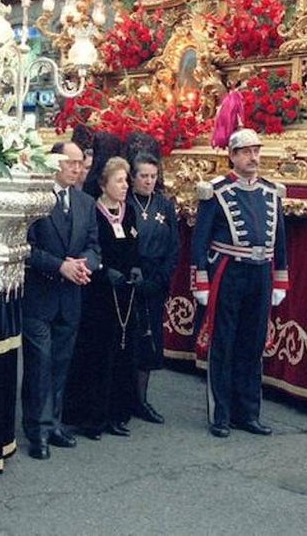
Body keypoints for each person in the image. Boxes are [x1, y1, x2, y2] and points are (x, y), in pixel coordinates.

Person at [192, 128, 289, 438]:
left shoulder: (272, 192)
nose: (253, 157)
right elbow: (199, 240)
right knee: (224, 344)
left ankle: (248, 413)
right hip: (228, 271)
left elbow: (281, 242)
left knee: (252, 344)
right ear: (232, 156)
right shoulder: (215, 191)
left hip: (260, 273)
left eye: (256, 151)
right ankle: (220, 415)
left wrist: (280, 280)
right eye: (246, 151)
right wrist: (201, 282)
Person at [21, 141, 100, 460]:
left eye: (81, 163)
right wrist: (60, 266)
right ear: (55, 163)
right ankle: (36, 430)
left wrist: (84, 265)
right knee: (39, 364)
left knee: (60, 362)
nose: (78, 168)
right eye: (71, 162)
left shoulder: (85, 202)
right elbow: (25, 248)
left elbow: (94, 246)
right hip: (39, 296)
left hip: (71, 297)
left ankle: (54, 423)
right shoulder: (35, 199)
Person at [64, 157, 141, 440]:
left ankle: (116, 414)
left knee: (122, 353)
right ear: (103, 184)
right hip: (98, 295)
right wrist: (104, 272)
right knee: (97, 354)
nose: (125, 186)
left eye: (126, 180)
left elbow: (133, 246)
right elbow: (90, 249)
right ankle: (91, 416)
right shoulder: (93, 212)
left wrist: (135, 268)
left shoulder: (128, 212)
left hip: (125, 296)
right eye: (119, 181)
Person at [127, 152, 179, 424]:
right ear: (132, 177)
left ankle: (142, 400)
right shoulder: (125, 202)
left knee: (149, 342)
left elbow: (174, 247)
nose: (148, 181)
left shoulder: (164, 205)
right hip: (130, 280)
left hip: (155, 282)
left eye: (153, 176)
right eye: (143, 176)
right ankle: (123, 399)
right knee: (128, 341)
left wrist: (159, 279)